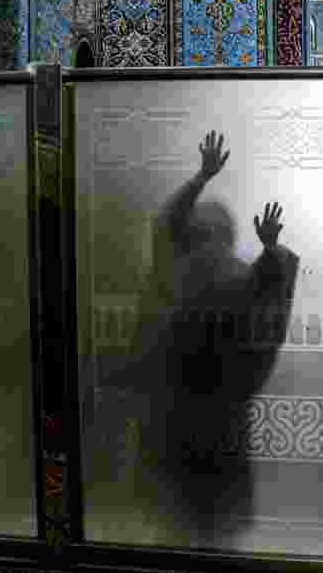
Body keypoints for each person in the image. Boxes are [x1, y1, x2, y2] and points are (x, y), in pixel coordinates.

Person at [121, 130, 300, 549]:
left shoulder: (171, 271)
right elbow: (269, 295)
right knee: (212, 532)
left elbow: (165, 224)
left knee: (177, 526)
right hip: (213, 420)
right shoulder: (226, 274)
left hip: (175, 418)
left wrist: (201, 178)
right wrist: (271, 250)